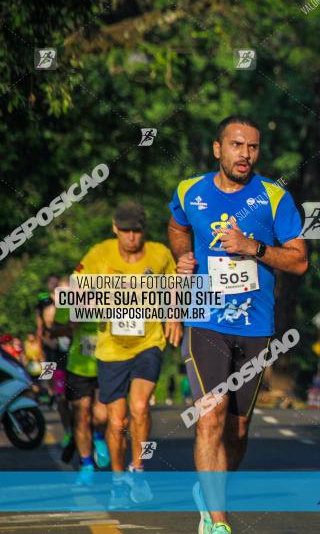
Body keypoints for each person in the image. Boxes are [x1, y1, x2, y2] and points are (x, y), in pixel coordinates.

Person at [168, 115, 308, 534]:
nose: (244, 154)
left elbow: (299, 260)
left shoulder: (274, 197)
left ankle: (212, 493)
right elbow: (177, 227)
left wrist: (255, 247)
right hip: (205, 318)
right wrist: (182, 256)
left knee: (238, 427)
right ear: (218, 149)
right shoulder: (189, 191)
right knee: (210, 416)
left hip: (254, 325)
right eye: (236, 145)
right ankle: (217, 521)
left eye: (252, 147)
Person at [72, 201, 181, 507]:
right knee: (116, 421)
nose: (132, 237)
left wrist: (173, 315)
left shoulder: (160, 254)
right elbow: (77, 285)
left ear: (143, 230)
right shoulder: (99, 254)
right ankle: (118, 479)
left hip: (149, 342)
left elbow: (175, 286)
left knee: (140, 407)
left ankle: (138, 470)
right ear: (115, 228)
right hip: (111, 349)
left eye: (137, 230)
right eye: (126, 230)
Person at [53, 304, 110, 484]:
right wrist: (69, 326)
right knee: (81, 416)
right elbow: (53, 330)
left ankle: (99, 437)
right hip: (78, 366)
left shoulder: (111, 288)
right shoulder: (71, 296)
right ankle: (87, 465)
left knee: (102, 415)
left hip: (107, 362)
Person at [36, 276, 75, 461]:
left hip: (78, 358)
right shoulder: (47, 306)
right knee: (61, 397)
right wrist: (46, 346)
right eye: (63, 292)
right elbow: (42, 330)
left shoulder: (80, 306)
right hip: (56, 357)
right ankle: (68, 431)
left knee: (81, 400)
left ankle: (89, 432)